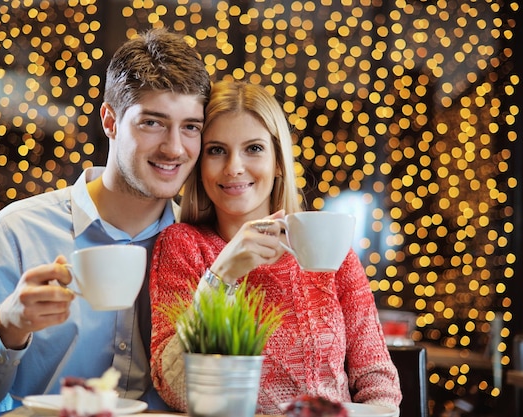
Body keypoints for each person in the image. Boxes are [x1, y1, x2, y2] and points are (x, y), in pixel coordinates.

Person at [0, 28, 211, 417]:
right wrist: (7, 327)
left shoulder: (205, 252)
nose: (175, 148)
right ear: (110, 121)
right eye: (152, 122)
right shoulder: (19, 230)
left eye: (191, 127)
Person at [149, 80, 402, 415]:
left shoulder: (329, 250)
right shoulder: (182, 246)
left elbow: (377, 379)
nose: (234, 167)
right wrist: (222, 276)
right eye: (216, 150)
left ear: (279, 162)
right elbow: (176, 389)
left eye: (253, 148)